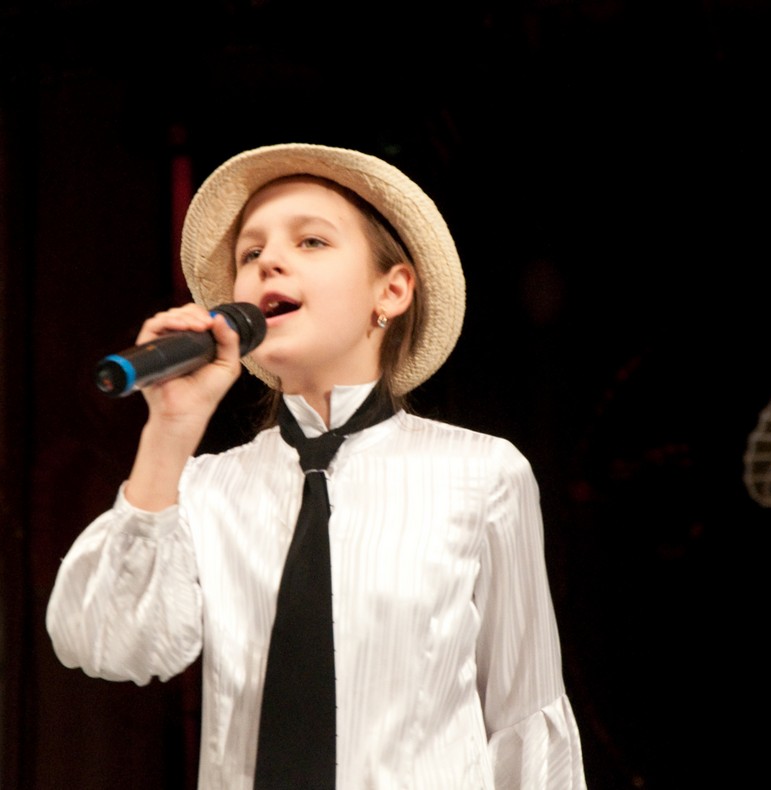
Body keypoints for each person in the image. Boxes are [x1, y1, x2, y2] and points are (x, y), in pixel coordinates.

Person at [45, 143, 586, 789]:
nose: (269, 261)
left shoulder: (482, 473)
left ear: (391, 291)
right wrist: (170, 430)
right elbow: (106, 645)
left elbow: (525, 715)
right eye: (250, 253)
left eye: (311, 241)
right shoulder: (205, 489)